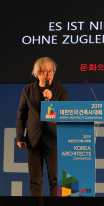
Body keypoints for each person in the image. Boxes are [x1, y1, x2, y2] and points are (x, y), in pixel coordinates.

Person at [16, 57, 69, 196]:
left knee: (55, 179)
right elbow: (21, 115)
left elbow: (66, 113)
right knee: (35, 180)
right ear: (37, 73)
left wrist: (52, 100)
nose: (48, 75)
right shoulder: (27, 90)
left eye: (51, 71)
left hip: (54, 139)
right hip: (33, 139)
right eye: (45, 71)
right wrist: (20, 136)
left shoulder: (61, 90)